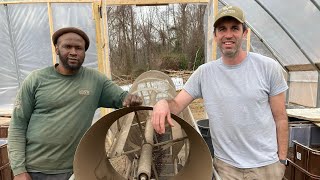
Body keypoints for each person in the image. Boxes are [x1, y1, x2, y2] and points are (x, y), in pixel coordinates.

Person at [152, 5, 288, 180]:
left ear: (245, 33)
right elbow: (177, 105)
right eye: (222, 29)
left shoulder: (268, 68)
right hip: (226, 169)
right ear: (215, 36)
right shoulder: (204, 73)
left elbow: (281, 118)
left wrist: (282, 161)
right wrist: (163, 103)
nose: (228, 34)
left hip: (266, 167)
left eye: (235, 28)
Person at [8, 27, 142, 180]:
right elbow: (18, 125)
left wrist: (131, 99)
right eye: (67, 46)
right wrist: (19, 170)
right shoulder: (36, 80)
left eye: (79, 48)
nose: (73, 52)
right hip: (35, 171)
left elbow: (123, 98)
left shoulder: (96, 81)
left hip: (76, 170)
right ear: (57, 49)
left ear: (84, 52)